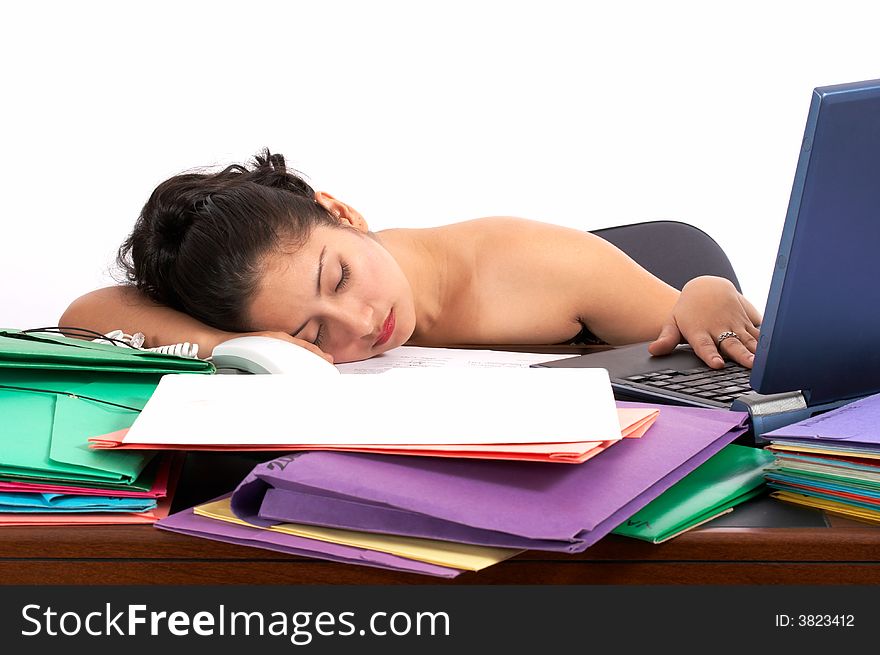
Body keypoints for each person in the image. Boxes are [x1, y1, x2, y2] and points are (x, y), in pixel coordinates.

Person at [60, 149, 762, 368]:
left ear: (342, 213)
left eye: (335, 276)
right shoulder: (268, 313)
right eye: (312, 333)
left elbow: (686, 321)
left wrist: (700, 290)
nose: (358, 322)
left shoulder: (535, 261)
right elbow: (85, 316)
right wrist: (240, 345)